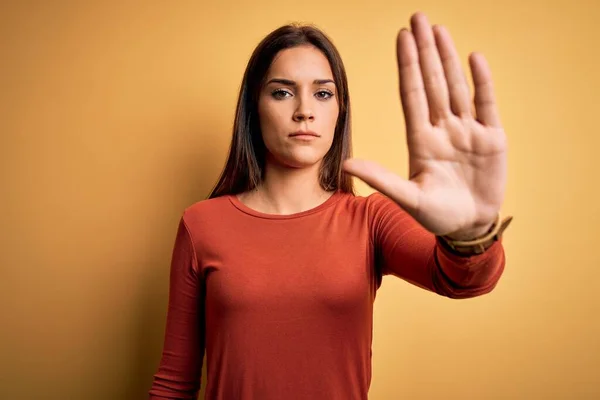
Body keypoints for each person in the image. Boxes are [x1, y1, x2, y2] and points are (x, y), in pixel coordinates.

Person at [148, 11, 513, 400]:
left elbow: (462, 281)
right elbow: (174, 384)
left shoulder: (370, 220)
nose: (304, 110)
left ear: (340, 111)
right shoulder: (202, 224)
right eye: (282, 92)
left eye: (323, 93)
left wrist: (471, 232)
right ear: (254, 109)